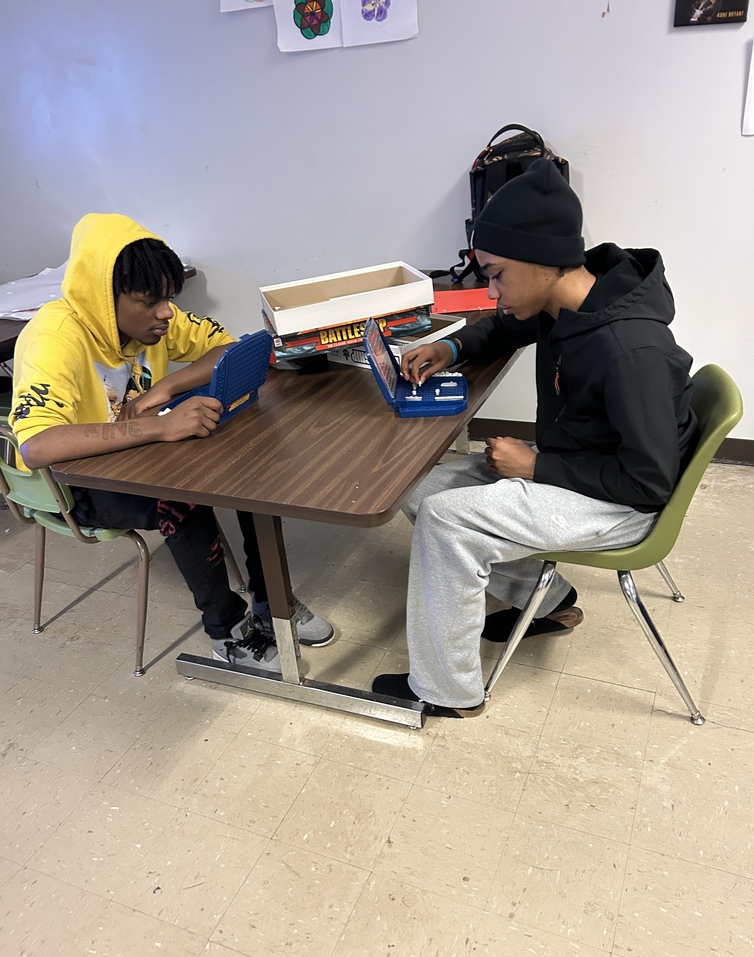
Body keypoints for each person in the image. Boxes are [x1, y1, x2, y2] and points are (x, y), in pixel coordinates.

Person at [372, 158, 698, 718]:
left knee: (449, 521)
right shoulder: (565, 299)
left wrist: (535, 467)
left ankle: (446, 692)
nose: (490, 290)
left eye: (496, 274)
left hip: (622, 498)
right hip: (583, 459)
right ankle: (550, 603)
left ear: (543, 262)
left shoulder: (628, 350)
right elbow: (507, 324)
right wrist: (449, 348)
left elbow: (648, 482)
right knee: (418, 488)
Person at [10, 213, 334, 670]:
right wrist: (160, 427)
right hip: (73, 482)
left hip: (134, 453)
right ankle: (227, 634)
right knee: (182, 499)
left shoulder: (156, 318)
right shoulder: (54, 339)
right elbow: (38, 446)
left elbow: (231, 348)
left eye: (168, 298)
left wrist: (165, 390)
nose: (166, 312)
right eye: (149, 301)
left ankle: (271, 602)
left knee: (248, 469)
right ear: (106, 298)